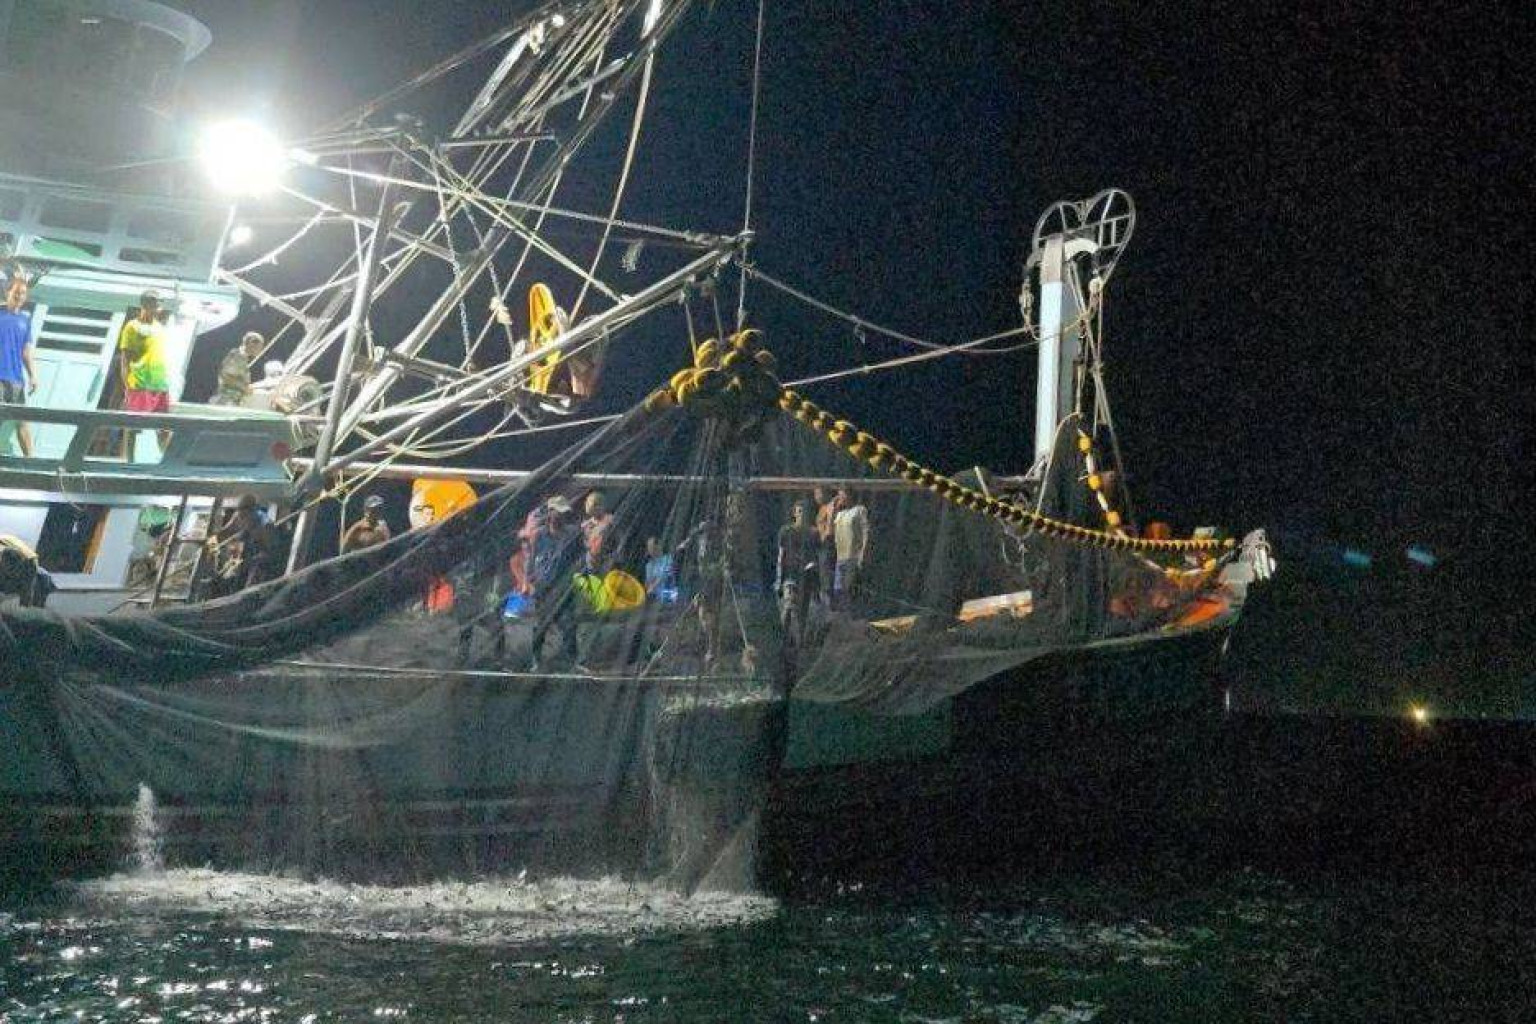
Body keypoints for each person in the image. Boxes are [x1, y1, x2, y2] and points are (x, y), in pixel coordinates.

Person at [528, 497, 584, 670]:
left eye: (563, 513)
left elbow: (580, 558)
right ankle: (536, 660)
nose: (561, 516)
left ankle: (572, 662)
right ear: (550, 512)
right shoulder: (539, 535)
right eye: (558, 512)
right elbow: (532, 559)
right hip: (544, 587)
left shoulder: (572, 534)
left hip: (564, 586)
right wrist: (530, 581)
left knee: (569, 624)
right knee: (540, 625)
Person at [118, 290, 171, 453]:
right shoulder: (132, 326)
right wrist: (127, 386)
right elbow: (125, 358)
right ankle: (127, 461)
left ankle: (167, 461)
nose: (157, 305)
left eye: (159, 302)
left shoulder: (160, 328)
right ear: (144, 304)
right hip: (139, 383)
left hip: (160, 384)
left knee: (164, 427)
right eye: (153, 302)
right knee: (134, 427)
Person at [0, 274, 37, 457]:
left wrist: (33, 375)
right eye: (16, 292)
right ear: (7, 292)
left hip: (16, 380)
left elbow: (26, 352)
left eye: (23, 293)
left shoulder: (25, 320)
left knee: (22, 422)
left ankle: (31, 461)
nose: (19, 296)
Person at [776, 499, 819, 641]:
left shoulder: (813, 533)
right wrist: (779, 580)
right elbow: (781, 555)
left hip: (806, 575)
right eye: (799, 511)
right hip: (790, 573)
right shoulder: (786, 531)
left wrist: (815, 577)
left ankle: (800, 643)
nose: (802, 515)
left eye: (804, 512)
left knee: (802, 611)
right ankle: (783, 638)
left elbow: (815, 556)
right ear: (794, 513)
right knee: (788, 606)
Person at [832, 487, 869, 610]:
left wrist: (862, 553)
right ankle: (841, 613)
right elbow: (832, 530)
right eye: (839, 496)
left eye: (842, 495)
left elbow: (865, 532)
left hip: (852, 555)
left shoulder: (859, 510)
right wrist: (833, 507)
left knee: (848, 589)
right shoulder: (840, 514)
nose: (840, 498)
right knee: (838, 590)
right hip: (840, 557)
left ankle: (850, 613)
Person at [212, 331, 264, 406]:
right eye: (259, 347)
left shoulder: (242, 358)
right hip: (226, 401)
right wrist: (244, 388)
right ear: (251, 343)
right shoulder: (237, 356)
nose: (260, 350)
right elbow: (227, 377)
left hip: (231, 400)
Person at [580, 490, 615, 573]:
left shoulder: (610, 521)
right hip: (592, 562)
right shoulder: (586, 525)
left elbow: (618, 540)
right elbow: (586, 544)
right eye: (593, 506)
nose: (596, 508)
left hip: (608, 561)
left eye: (597, 505)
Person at [644, 535, 678, 603]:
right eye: (649, 548)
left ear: (659, 546)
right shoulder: (649, 565)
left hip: (667, 597)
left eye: (652, 547)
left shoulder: (668, 559)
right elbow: (647, 582)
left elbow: (664, 576)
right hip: (653, 598)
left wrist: (652, 587)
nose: (650, 550)